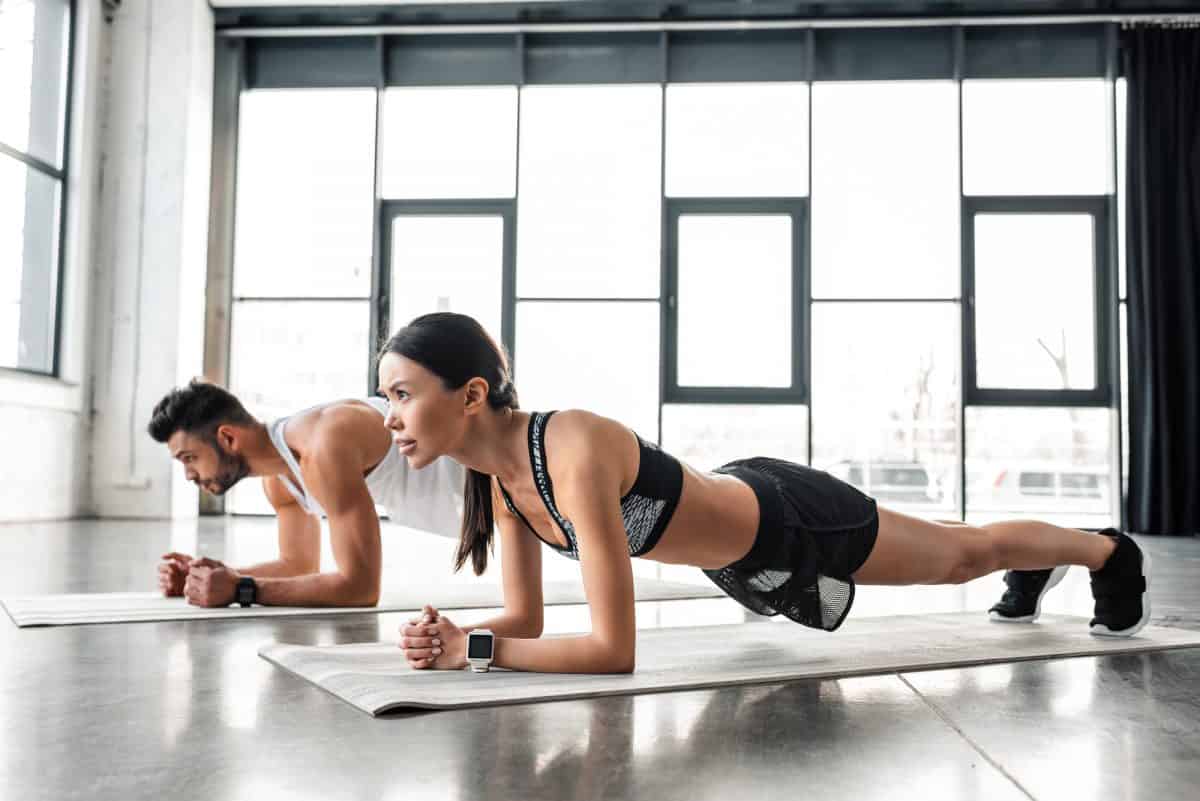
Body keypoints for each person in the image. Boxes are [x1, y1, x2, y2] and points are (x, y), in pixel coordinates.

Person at [379, 313, 1151, 675]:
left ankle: (1104, 551)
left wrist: (473, 652)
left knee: (959, 555)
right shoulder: (502, 483)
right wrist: (455, 633)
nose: (391, 418)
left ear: (471, 393)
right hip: (740, 554)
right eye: (385, 397)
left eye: (404, 394)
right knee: (955, 544)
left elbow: (614, 651)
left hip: (791, 517)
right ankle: (1038, 563)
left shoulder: (569, 446)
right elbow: (529, 619)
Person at [147, 380, 464, 607]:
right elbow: (298, 566)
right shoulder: (278, 478)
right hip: (472, 515)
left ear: (227, 438)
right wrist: (209, 577)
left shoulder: (323, 445)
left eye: (189, 458)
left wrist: (242, 590)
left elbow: (361, 588)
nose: (189, 475)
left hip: (499, 488)